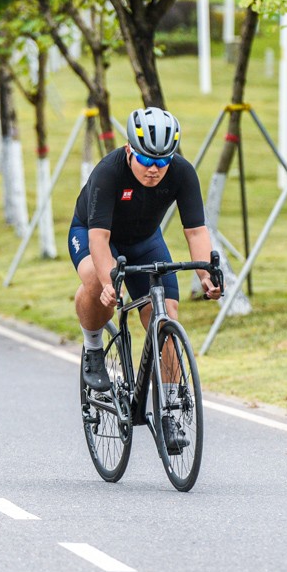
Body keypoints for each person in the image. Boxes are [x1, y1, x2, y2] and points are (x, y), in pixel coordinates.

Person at [69, 107, 222, 405]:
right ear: (129, 149)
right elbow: (99, 238)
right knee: (97, 281)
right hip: (94, 234)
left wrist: (205, 275)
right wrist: (109, 280)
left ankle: (170, 404)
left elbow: (196, 232)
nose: (154, 168)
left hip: (144, 240)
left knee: (166, 313)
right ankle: (93, 349)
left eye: (163, 160)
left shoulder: (182, 173)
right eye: (146, 159)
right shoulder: (108, 172)